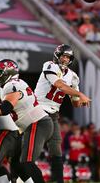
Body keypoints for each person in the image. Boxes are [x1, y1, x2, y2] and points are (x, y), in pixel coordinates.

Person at [0, 59, 54, 183]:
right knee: (19, 165)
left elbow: (4, 108)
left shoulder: (9, 85)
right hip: (27, 127)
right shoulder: (8, 85)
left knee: (24, 163)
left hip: (35, 124)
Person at [34, 44, 91, 183]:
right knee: (33, 151)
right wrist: (80, 93)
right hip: (38, 110)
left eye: (68, 57)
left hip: (53, 115)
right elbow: (59, 85)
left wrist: (79, 100)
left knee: (56, 152)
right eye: (63, 56)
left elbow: (75, 103)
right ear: (57, 56)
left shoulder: (73, 76)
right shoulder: (49, 65)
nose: (65, 59)